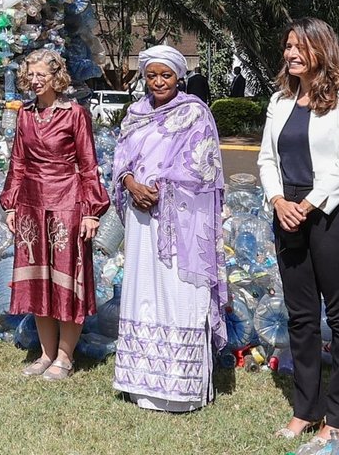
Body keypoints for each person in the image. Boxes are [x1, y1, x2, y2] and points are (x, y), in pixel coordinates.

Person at [256, 19, 339, 441]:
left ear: (323, 49)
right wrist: (278, 201)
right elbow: (267, 159)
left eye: (300, 46)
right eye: (287, 46)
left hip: (333, 212)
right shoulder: (280, 101)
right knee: (300, 316)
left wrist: (308, 204)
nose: (291, 53)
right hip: (287, 210)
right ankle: (306, 408)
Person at [110, 44, 225, 413]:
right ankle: (140, 384)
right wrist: (130, 183)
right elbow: (120, 160)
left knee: (179, 293)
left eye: (166, 75)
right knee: (144, 290)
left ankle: (182, 390)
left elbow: (205, 168)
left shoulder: (195, 114)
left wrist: (161, 187)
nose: (159, 82)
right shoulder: (135, 114)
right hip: (141, 219)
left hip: (182, 222)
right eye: (152, 75)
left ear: (179, 77)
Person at [0, 49, 108, 381]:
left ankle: (65, 356)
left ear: (56, 77)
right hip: (32, 204)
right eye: (29, 75)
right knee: (38, 283)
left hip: (68, 204)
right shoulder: (26, 115)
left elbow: (88, 164)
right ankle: (46, 354)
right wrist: (10, 204)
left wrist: (92, 211)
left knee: (66, 282)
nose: (34, 81)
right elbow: (18, 162)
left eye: (40, 75)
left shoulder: (75, 114)